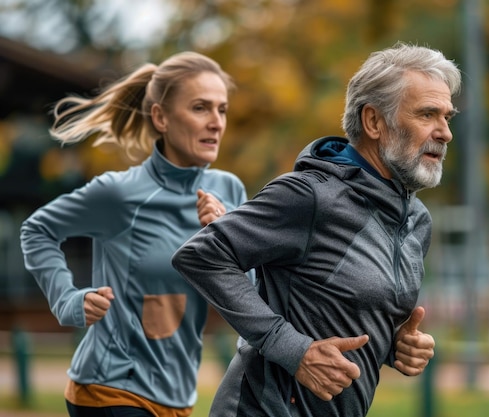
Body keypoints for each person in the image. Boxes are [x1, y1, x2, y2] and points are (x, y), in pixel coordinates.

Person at [171, 42, 461, 417]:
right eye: (427, 115)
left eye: (447, 117)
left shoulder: (417, 222)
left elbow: (340, 307)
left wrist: (395, 345)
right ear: (374, 121)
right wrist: (294, 350)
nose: (445, 133)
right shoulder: (310, 196)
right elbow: (201, 256)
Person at [20, 51, 250, 417]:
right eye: (200, 108)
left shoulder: (230, 191)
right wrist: (66, 299)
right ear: (160, 117)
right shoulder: (120, 193)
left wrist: (224, 236)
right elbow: (38, 229)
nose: (216, 123)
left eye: (221, 110)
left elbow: (248, 295)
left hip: (176, 396)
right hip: (111, 389)